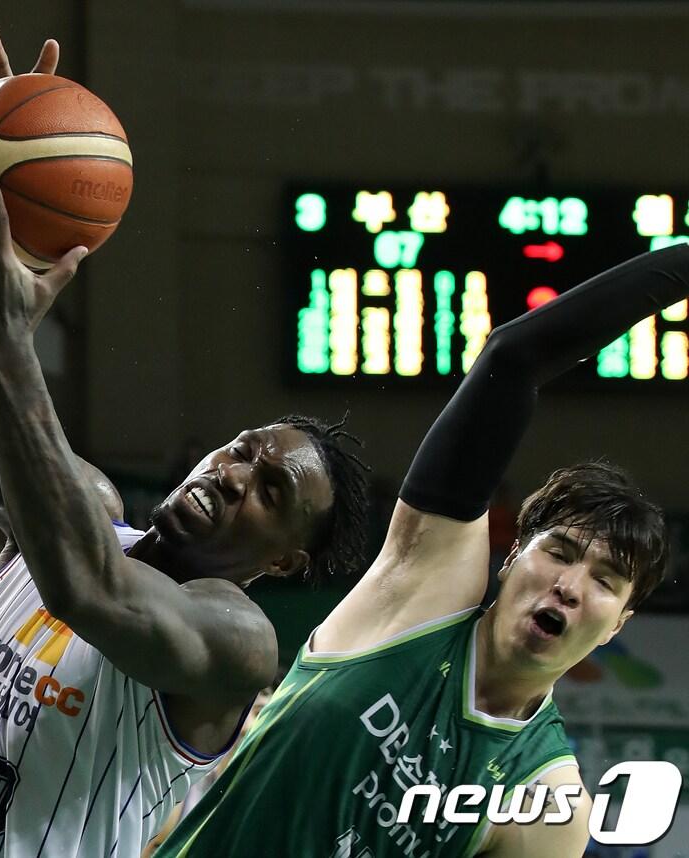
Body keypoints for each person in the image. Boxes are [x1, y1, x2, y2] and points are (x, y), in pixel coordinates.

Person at [0, 28, 369, 857]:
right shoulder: (79, 508)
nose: (235, 473)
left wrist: (8, 350)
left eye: (271, 491)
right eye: (242, 449)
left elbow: (88, 591)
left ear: (283, 561)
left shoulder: (235, 643)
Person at [156, 246, 689, 856]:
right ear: (509, 556)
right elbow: (512, 359)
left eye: (605, 579)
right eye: (561, 552)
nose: (570, 584)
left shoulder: (550, 807)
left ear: (617, 623)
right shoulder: (422, 596)